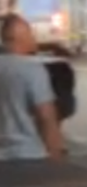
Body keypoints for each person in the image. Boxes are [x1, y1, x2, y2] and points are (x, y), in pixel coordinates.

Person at [0, 15, 65, 160]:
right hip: (27, 154)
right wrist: (56, 153)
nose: (33, 38)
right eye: (30, 33)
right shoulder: (32, 70)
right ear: (20, 38)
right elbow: (46, 116)